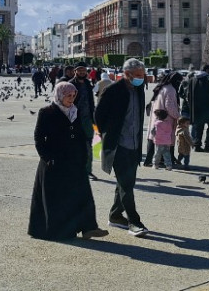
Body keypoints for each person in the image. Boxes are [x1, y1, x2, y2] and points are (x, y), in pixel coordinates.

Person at [28, 81, 108, 241]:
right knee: (58, 198)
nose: (71, 99)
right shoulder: (47, 112)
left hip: (74, 161)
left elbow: (79, 136)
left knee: (83, 194)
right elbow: (38, 138)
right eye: (68, 96)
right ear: (60, 96)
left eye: (73, 96)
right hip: (55, 162)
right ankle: (58, 230)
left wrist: (84, 155)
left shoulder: (74, 111)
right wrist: (47, 158)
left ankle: (88, 228)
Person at [95, 58, 149, 237]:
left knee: (127, 183)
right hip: (119, 146)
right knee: (127, 184)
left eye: (143, 75)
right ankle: (134, 221)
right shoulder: (112, 90)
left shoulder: (138, 89)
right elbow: (98, 116)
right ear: (127, 74)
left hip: (134, 144)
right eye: (139, 75)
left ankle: (116, 215)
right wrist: (108, 136)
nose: (142, 78)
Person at [148, 71, 182, 170]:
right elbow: (169, 106)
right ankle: (165, 162)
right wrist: (178, 116)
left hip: (157, 118)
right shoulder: (171, 90)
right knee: (165, 144)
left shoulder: (162, 87)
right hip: (166, 120)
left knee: (157, 142)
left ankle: (155, 161)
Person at [186, 64, 209, 153]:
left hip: (197, 109)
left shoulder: (193, 79)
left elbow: (188, 95)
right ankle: (208, 146)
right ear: (208, 70)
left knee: (198, 128)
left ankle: (197, 145)